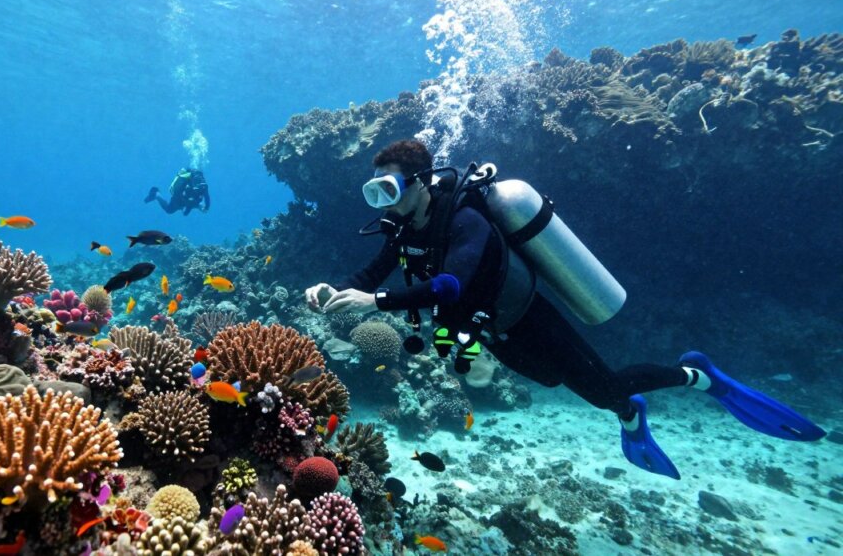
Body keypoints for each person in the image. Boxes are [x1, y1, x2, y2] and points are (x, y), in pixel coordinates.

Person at [304, 139, 826, 480]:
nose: (384, 203)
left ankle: (699, 376)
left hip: (526, 317)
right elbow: (369, 274)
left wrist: (378, 301)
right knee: (552, 383)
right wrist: (335, 287)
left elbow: (449, 286)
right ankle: (630, 407)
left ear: (419, 181)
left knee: (605, 391)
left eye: (390, 189)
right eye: (375, 192)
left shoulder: (464, 220)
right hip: (495, 333)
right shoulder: (403, 229)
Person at [145, 167, 210, 215]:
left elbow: (207, 198)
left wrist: (205, 208)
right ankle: (157, 194)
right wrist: (186, 207)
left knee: (184, 211)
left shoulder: (203, 186)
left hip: (187, 200)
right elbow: (179, 194)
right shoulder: (189, 184)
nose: (199, 183)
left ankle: (157, 195)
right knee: (169, 210)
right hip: (178, 197)